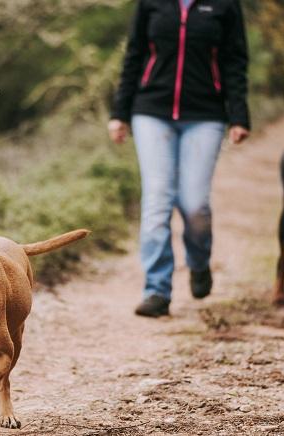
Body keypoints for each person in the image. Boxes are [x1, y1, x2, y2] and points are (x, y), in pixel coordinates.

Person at [108, 0, 250, 317]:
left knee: (194, 203)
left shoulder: (224, 5)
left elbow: (234, 61)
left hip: (205, 114)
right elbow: (134, 56)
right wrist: (120, 113)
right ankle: (157, 290)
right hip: (152, 112)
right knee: (158, 199)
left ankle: (199, 262)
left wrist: (239, 115)